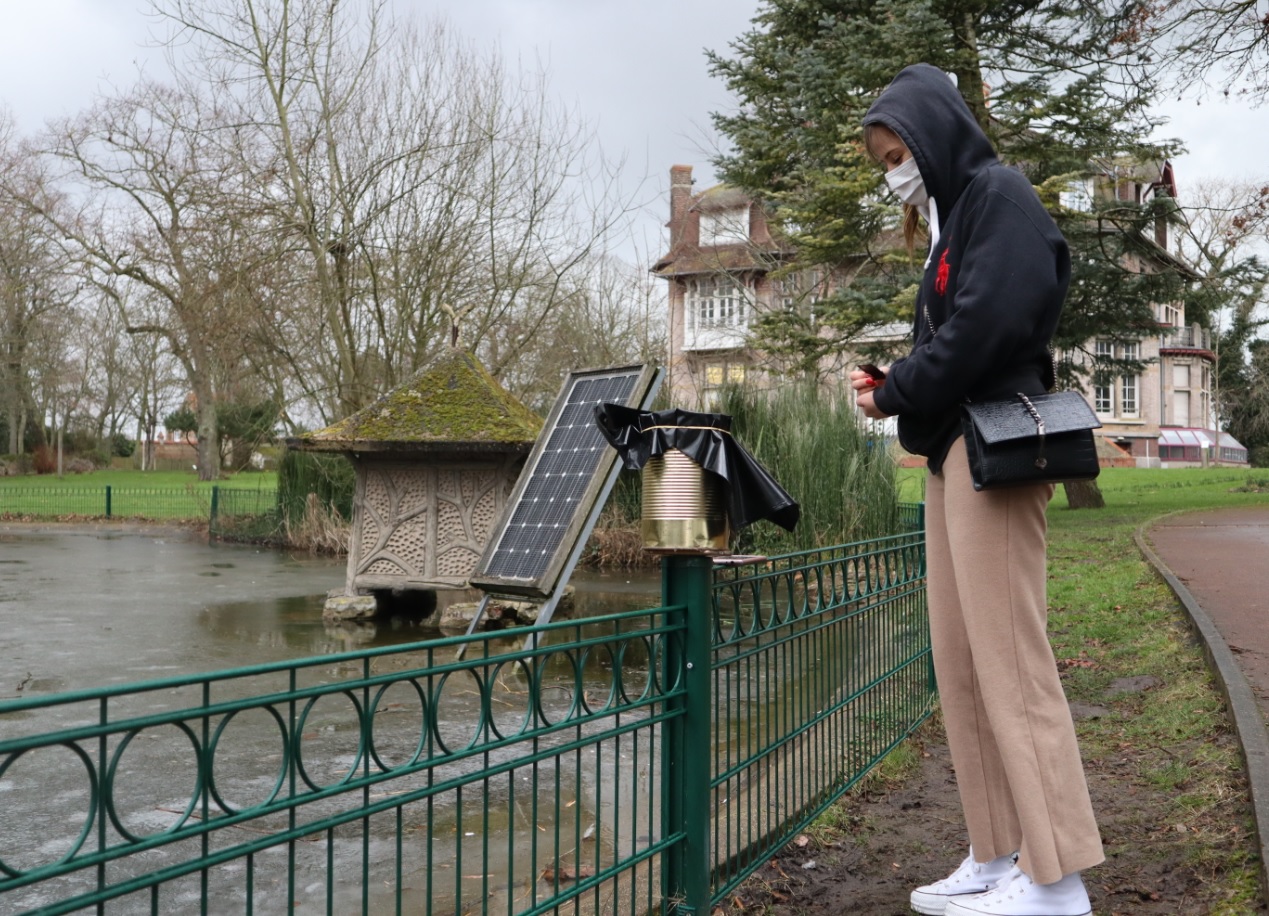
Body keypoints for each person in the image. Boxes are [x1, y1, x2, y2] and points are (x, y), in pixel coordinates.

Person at [849, 64, 1103, 916]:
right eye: (885, 163)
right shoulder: (956, 219)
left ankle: (1056, 880)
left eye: (898, 156)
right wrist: (899, 383)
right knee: (961, 663)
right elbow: (958, 334)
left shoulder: (998, 195)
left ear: (933, 136)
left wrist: (894, 389)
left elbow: (989, 322)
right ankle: (997, 854)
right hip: (953, 451)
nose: (894, 174)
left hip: (995, 450)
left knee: (1011, 664)